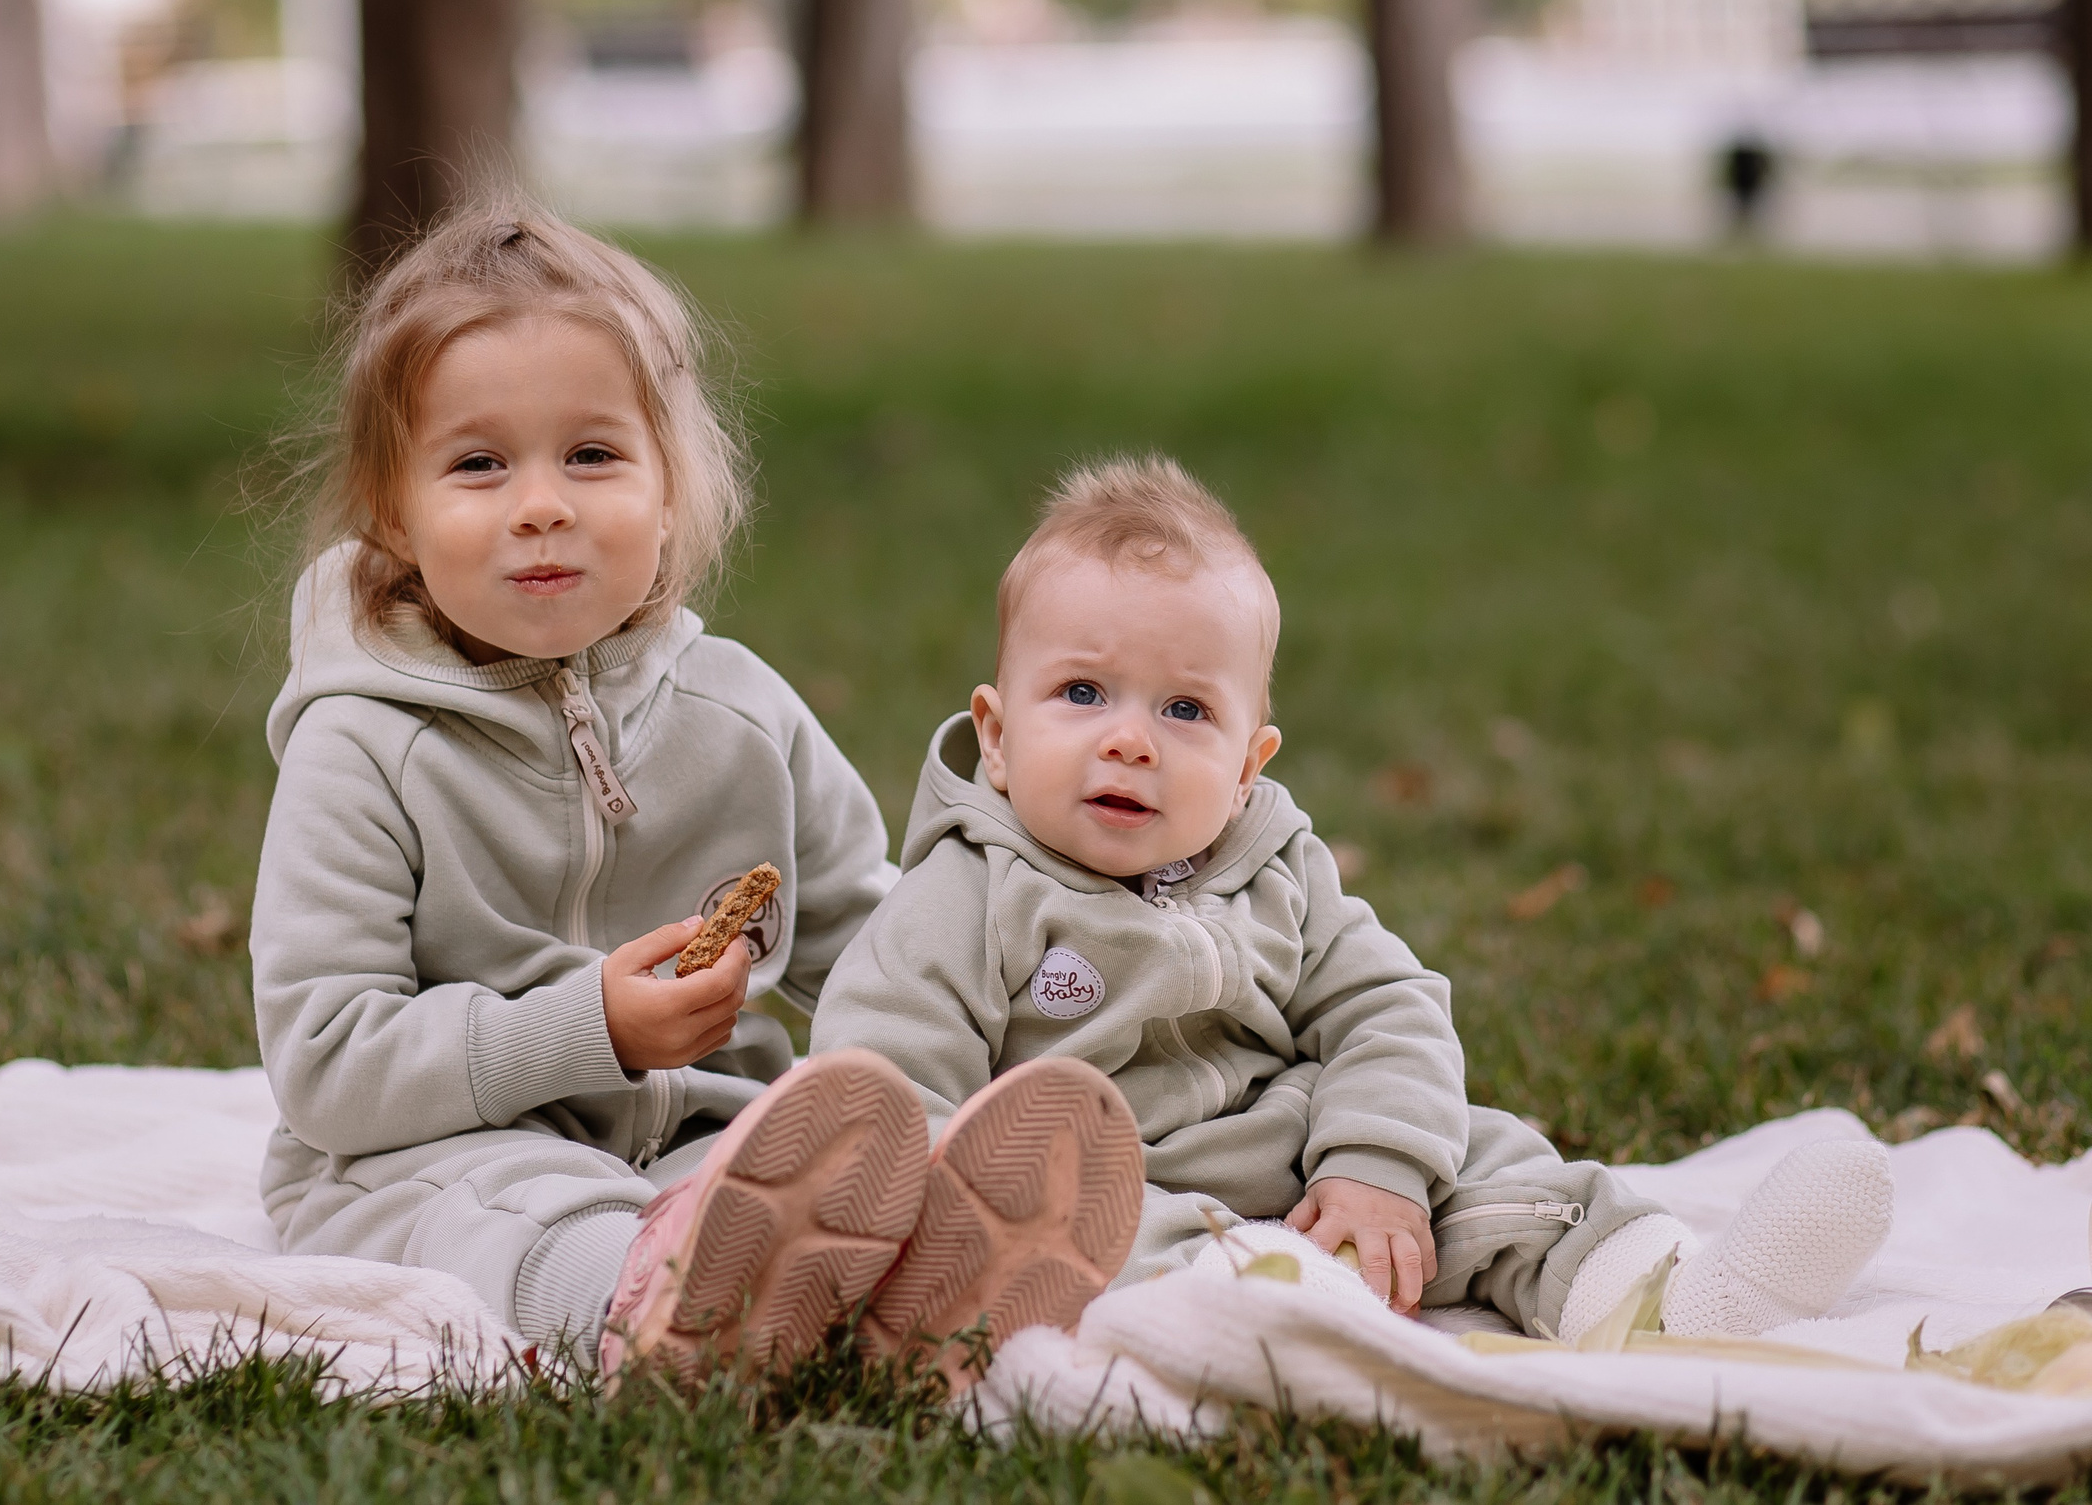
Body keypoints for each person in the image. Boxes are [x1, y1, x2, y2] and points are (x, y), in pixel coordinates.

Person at [248, 199, 1132, 1384]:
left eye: (593, 454)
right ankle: (645, 1310)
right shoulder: (360, 746)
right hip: (425, 1154)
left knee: (790, 1173)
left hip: (707, 1142)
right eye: (478, 463)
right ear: (391, 512)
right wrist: (586, 1029)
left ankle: (886, 1301)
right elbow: (325, 1057)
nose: (542, 503)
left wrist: (1028, 1033)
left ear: (671, 488)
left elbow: (878, 942)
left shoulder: (739, 713)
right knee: (510, 1209)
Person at [811, 455, 1894, 1355]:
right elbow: (886, 1084)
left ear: (1247, 763)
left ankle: (1663, 1292)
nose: (1129, 737)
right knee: (1092, 1254)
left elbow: (1391, 1006)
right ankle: (1248, 1307)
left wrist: (1374, 1167)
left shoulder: (1277, 867)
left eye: (1185, 708)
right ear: (995, 735)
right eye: (1082, 691)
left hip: (1305, 1159)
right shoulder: (964, 894)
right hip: (1115, 1196)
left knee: (1484, 1156)